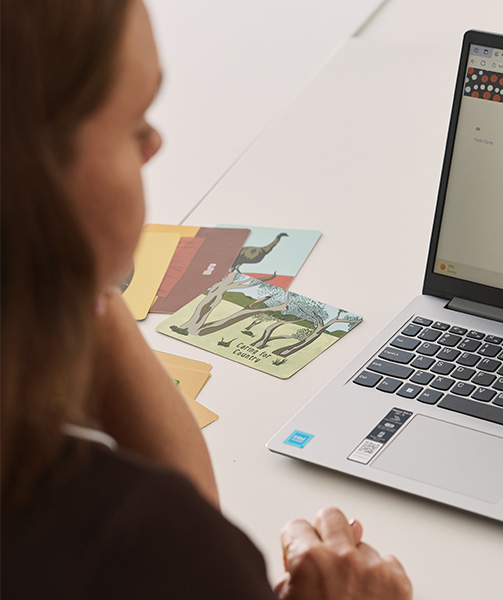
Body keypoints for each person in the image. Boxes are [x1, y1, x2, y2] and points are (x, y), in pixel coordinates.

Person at [0, 1, 412, 598]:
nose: (155, 143)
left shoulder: (158, 541)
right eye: (134, 122)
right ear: (32, 179)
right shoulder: (131, 543)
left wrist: (67, 272)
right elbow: (172, 540)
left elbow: (182, 517)